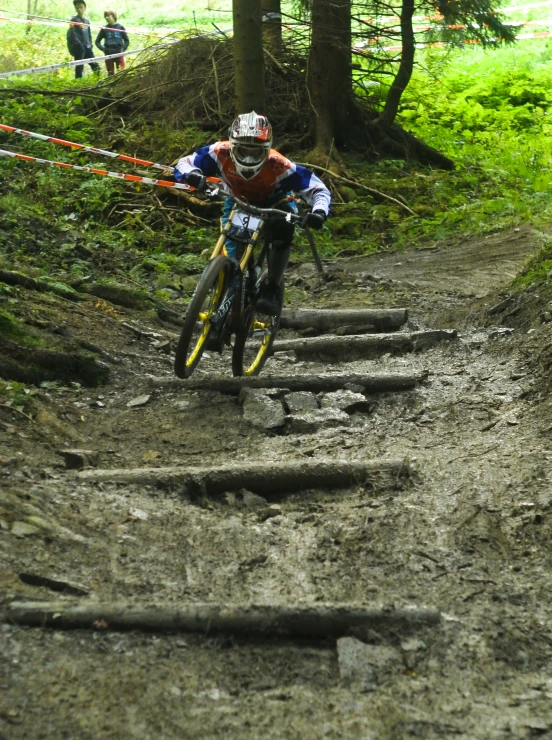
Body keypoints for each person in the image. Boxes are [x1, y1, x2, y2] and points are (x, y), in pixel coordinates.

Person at [174, 111, 331, 315]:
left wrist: (318, 212)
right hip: (238, 203)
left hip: (275, 204)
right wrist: (193, 175)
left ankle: (272, 286)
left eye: (255, 152)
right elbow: (185, 162)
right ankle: (221, 306)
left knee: (284, 228)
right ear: (232, 145)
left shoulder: (279, 164)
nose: (248, 158)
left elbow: (317, 188)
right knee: (232, 260)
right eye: (242, 151)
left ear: (266, 150)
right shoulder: (218, 152)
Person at [67, 0, 100, 79]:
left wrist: (90, 44)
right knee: (79, 66)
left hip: (87, 46)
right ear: (75, 9)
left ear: (85, 8)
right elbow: (72, 33)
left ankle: (97, 79)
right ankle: (78, 82)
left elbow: (89, 34)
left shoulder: (86, 21)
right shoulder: (73, 20)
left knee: (95, 65)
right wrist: (78, 44)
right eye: (77, 8)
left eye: (81, 7)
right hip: (79, 47)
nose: (79, 9)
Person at [95, 9, 129, 76]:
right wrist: (103, 49)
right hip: (108, 53)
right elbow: (97, 41)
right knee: (110, 73)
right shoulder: (104, 28)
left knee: (121, 73)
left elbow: (127, 40)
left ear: (113, 16)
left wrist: (123, 49)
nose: (106, 17)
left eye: (108, 15)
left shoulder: (120, 27)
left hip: (119, 52)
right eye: (105, 16)